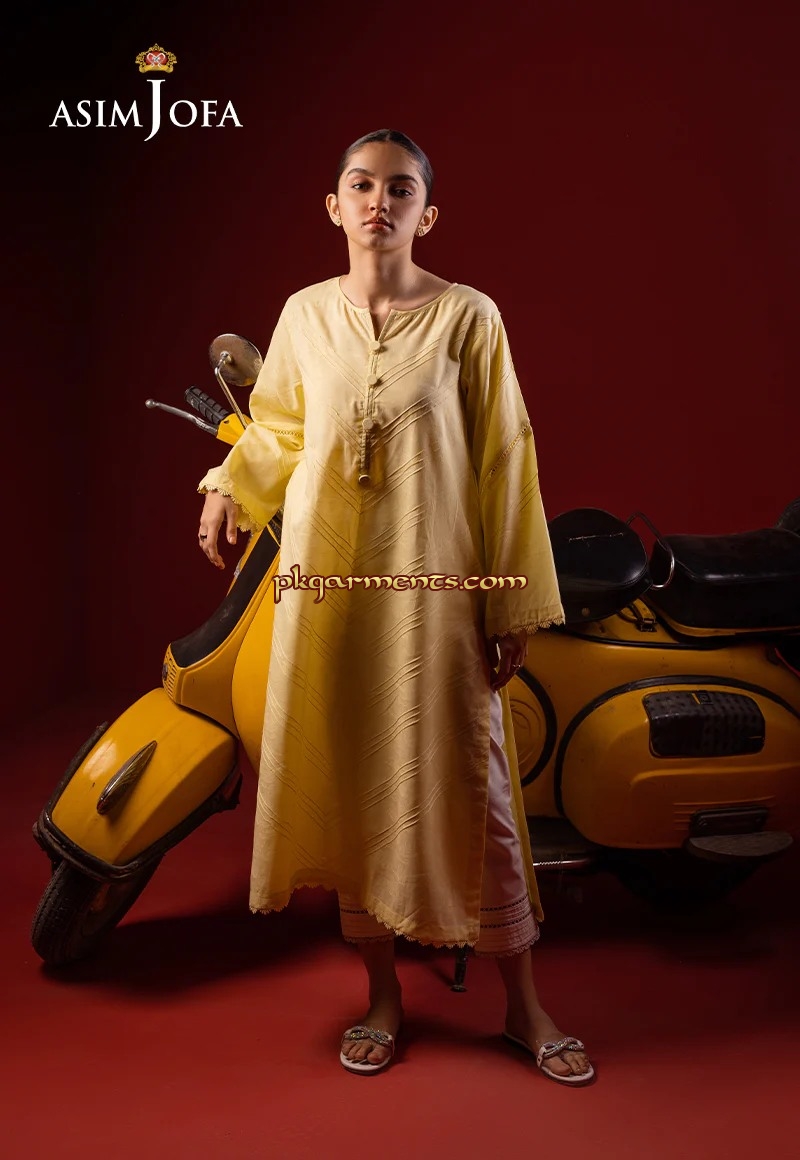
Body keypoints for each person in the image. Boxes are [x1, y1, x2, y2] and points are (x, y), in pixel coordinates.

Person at [197, 129, 594, 1084]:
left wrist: (512, 603)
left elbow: (506, 457)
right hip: (330, 597)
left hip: (441, 594)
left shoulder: (468, 318)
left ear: (428, 212)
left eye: (401, 188)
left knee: (477, 793)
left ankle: (525, 1008)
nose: (381, 201)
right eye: (362, 184)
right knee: (351, 784)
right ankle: (382, 996)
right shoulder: (304, 315)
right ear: (334, 206)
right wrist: (227, 486)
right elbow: (279, 427)